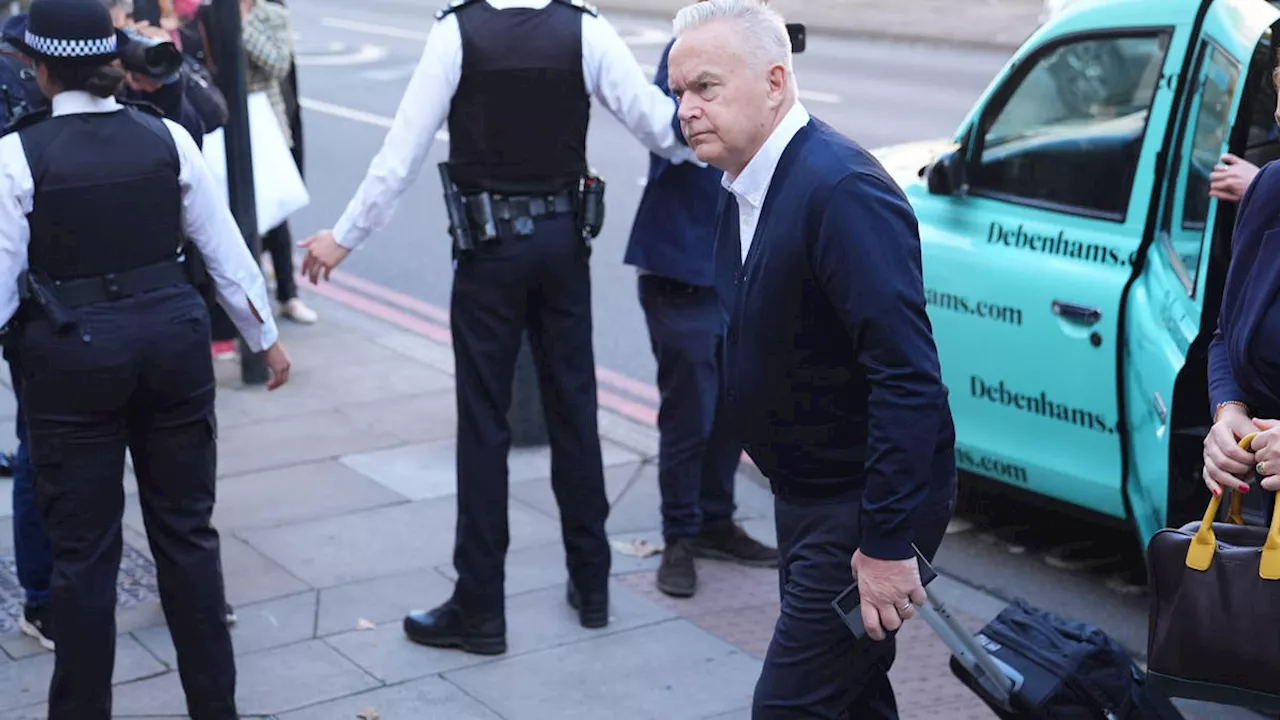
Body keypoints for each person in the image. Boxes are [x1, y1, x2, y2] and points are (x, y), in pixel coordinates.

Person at [299, 0, 699, 655]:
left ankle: (480, 609)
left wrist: (344, 238)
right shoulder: (586, 29)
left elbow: (400, 154)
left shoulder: (457, 32)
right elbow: (663, 129)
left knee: (485, 425)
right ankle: (591, 585)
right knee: (575, 409)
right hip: (564, 244)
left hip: (490, 252)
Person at [665, 1, 957, 716]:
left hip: (860, 509)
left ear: (773, 81)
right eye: (677, 93)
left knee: (790, 706)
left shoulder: (839, 190)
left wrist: (886, 545)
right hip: (809, 495)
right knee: (851, 696)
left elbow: (909, 378)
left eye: (705, 87)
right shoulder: (746, 184)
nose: (686, 110)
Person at [0, 0, 292, 716]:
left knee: (83, 557)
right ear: (113, 61)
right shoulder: (166, 136)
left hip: (72, 362)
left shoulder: (15, 155)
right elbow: (225, 249)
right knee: (188, 536)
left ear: (38, 70)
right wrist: (265, 338)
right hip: (173, 348)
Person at [623, 0, 777, 599]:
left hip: (735, 268)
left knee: (732, 408)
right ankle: (680, 537)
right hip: (681, 265)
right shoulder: (690, 52)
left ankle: (715, 520)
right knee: (690, 412)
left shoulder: (758, 57)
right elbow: (676, 134)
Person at [242, 0, 315, 324]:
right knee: (240, 217)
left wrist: (240, 26)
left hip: (267, 121)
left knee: (276, 215)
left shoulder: (272, 15)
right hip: (228, 123)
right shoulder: (210, 13)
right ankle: (250, 304)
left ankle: (288, 295)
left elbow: (277, 64)